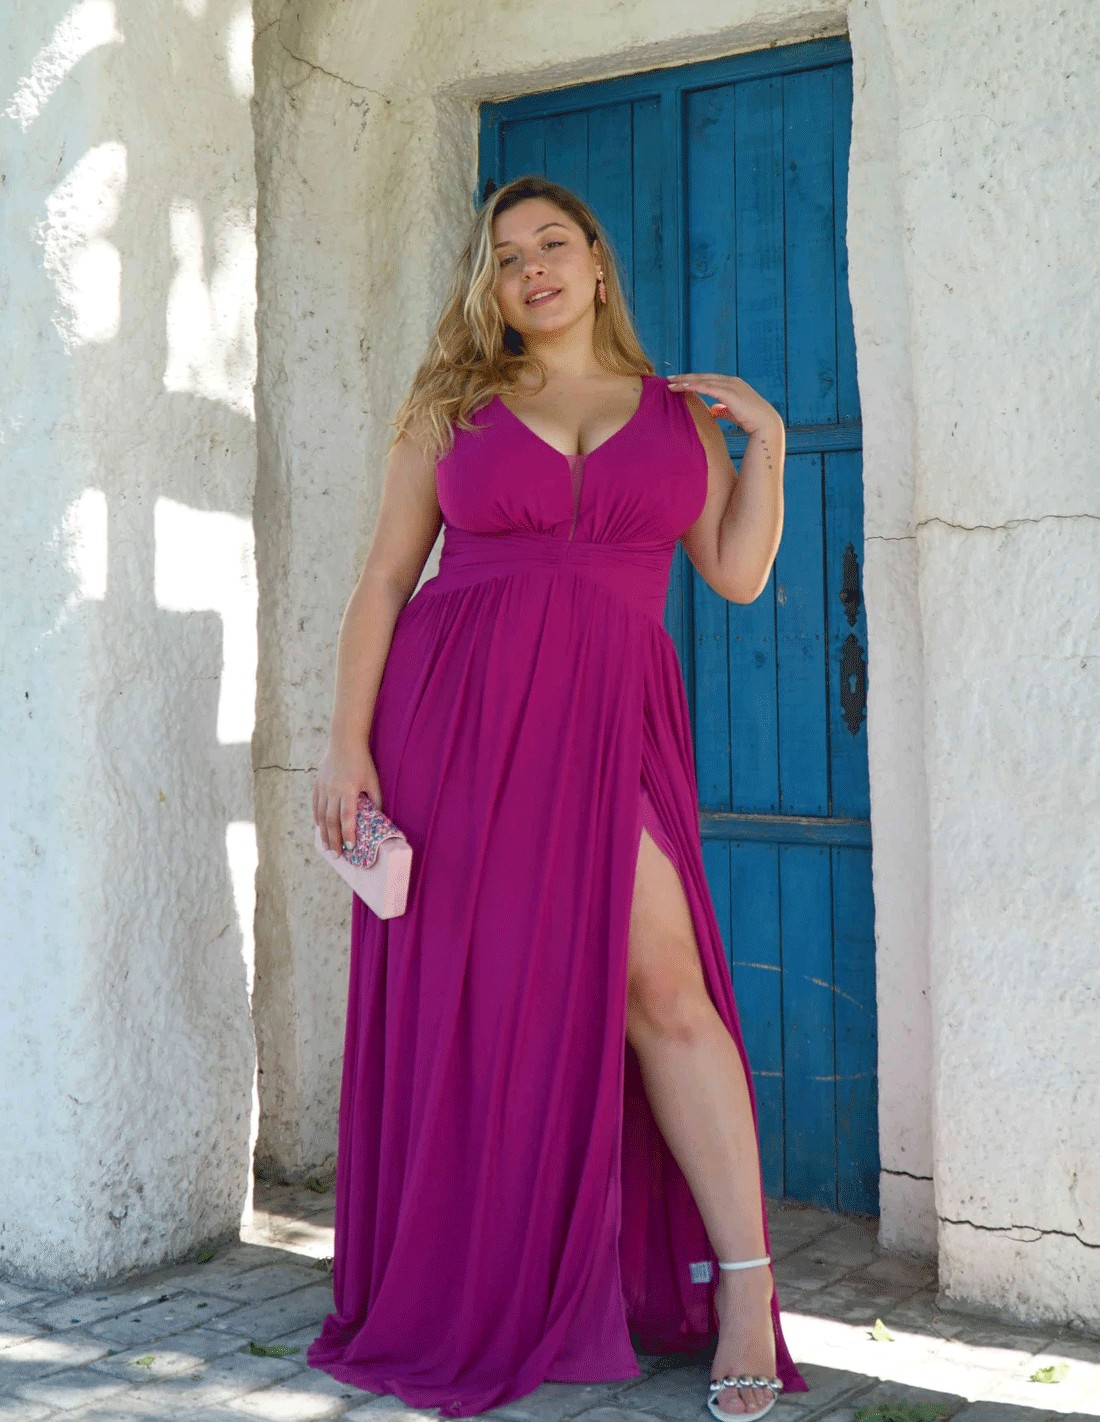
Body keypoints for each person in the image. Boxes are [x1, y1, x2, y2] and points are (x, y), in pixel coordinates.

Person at [307, 173, 806, 1421]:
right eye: (505, 254)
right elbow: (383, 580)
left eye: (550, 243)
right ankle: (481, 1276)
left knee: (665, 992)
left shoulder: (674, 416)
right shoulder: (450, 405)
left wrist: (767, 446)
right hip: (454, 728)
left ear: (594, 262)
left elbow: (735, 574)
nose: (530, 267)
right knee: (480, 1002)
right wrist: (344, 746)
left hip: (609, 727)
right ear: (490, 283)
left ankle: (745, 1293)